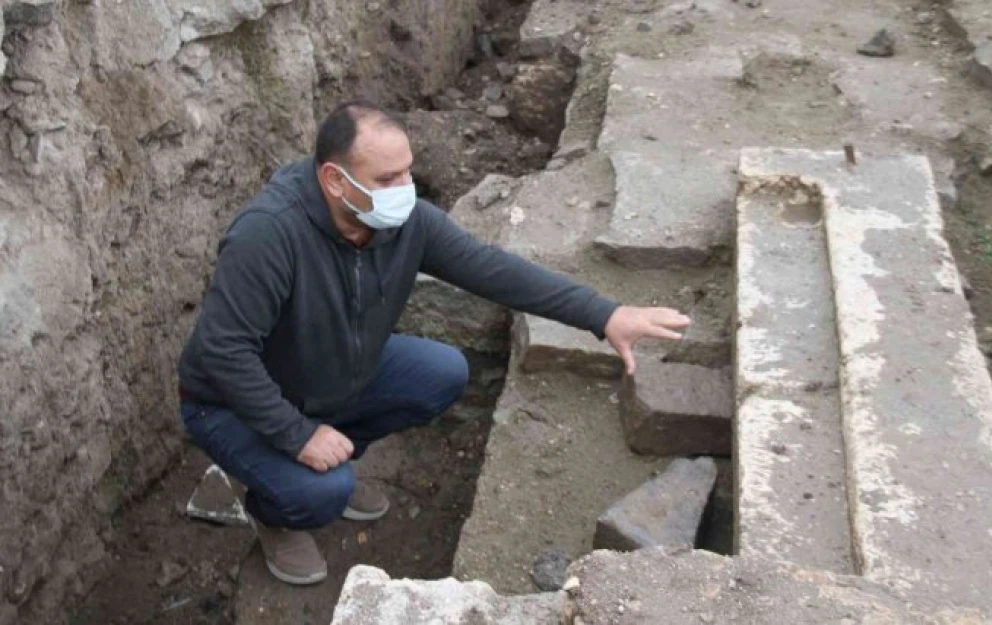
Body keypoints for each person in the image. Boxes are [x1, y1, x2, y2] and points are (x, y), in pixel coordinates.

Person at [177, 99, 691, 586]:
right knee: (322, 494)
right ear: (335, 180)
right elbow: (222, 353)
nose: (405, 187)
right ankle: (274, 514)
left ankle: (331, 452)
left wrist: (604, 315)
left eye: (407, 171)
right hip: (230, 403)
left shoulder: (403, 223)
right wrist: (298, 435)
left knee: (442, 372)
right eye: (387, 178)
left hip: (330, 371)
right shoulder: (269, 235)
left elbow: (492, 269)